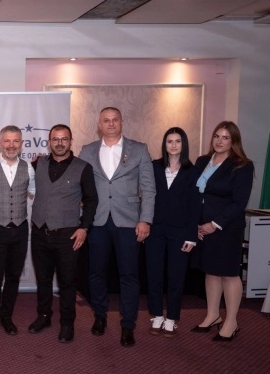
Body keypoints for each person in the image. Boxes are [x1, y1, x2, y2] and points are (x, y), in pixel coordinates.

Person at [78, 107, 155, 347]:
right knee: (96, 272)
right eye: (106, 120)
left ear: (122, 122)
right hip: (97, 221)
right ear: (99, 125)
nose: (110, 124)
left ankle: (128, 324)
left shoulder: (139, 149)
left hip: (129, 222)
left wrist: (145, 219)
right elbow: (80, 188)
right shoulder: (87, 151)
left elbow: (148, 189)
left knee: (129, 275)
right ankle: (99, 316)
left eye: (114, 120)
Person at [29, 124, 98, 343]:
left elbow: (91, 201)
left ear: (70, 141)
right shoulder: (37, 164)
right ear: (49, 142)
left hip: (68, 235)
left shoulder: (83, 168)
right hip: (40, 232)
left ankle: (67, 323)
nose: (60, 143)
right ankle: (44, 316)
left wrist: (84, 228)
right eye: (55, 139)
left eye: (64, 139)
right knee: (43, 280)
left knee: (67, 282)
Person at [192, 121, 253, 342]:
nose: (219, 141)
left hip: (226, 228)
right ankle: (213, 315)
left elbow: (239, 202)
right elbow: (193, 194)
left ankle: (231, 321)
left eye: (225, 137)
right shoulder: (202, 161)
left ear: (233, 141)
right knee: (211, 271)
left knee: (228, 274)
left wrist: (214, 224)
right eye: (217, 136)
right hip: (202, 227)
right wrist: (195, 224)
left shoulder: (242, 165)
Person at [145, 127, 200, 338]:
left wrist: (192, 237)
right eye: (170, 141)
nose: (174, 145)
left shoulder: (192, 171)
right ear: (164, 144)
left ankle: (172, 318)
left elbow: (195, 206)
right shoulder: (154, 167)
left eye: (178, 141)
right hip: (155, 228)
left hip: (180, 230)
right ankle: (157, 315)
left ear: (183, 144)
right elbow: (147, 196)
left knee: (176, 275)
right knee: (154, 273)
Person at [0, 125, 35, 336]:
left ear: (21, 144)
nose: (11, 145)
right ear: (0, 143)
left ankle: (7, 317)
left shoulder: (28, 167)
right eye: (7, 141)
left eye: (15, 141)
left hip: (20, 231)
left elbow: (35, 192)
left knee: (13, 277)